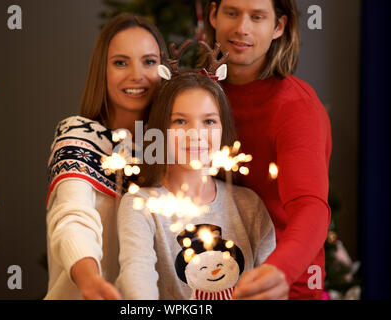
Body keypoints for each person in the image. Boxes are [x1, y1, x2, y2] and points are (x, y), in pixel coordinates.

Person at [116, 52, 276, 300]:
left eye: (209, 122)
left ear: (223, 129)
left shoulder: (249, 205)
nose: (196, 134)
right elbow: (137, 281)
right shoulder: (141, 207)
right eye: (180, 121)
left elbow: (270, 289)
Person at [204, 0, 332, 299]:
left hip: (280, 285)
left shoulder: (295, 106)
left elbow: (310, 207)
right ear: (213, 14)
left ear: (278, 27)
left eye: (257, 17)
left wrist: (279, 270)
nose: (241, 28)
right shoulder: (196, 92)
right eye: (231, 13)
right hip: (202, 278)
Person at [44, 13, 167, 300]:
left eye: (149, 61)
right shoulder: (77, 135)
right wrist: (89, 280)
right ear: (103, 70)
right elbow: (73, 216)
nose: (137, 74)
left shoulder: (172, 146)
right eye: (120, 62)